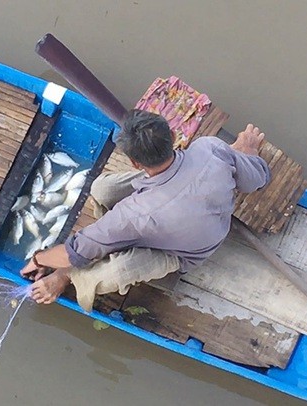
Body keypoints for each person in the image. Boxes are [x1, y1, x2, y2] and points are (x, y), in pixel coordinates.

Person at [20, 109, 270, 311]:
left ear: (135, 162)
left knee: (116, 269)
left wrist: (38, 259)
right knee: (102, 188)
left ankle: (65, 279)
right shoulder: (211, 148)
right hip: (184, 218)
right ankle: (111, 242)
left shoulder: (131, 215)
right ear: (173, 136)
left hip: (184, 253)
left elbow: (75, 253)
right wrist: (246, 154)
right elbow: (256, 179)